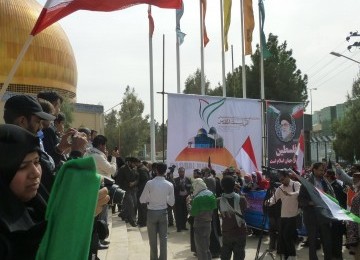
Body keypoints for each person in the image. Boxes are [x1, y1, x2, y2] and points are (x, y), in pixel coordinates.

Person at [298, 162, 334, 260]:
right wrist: (311, 203)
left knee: (327, 242)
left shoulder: (325, 182)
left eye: (324, 170)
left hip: (324, 216)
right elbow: (300, 200)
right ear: (314, 170)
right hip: (311, 217)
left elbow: (330, 196)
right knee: (313, 242)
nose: (323, 172)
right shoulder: (306, 182)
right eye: (321, 170)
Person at [140, 163, 175, 260]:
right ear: (165, 171)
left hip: (151, 212)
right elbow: (172, 203)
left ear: (156, 170)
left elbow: (142, 199)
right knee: (163, 239)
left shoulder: (150, 183)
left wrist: (149, 198)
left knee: (152, 240)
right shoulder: (169, 184)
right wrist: (165, 198)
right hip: (163, 212)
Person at [268, 170, 301, 260]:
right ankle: (286, 255)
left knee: (287, 236)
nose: (282, 181)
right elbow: (274, 199)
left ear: (287, 176)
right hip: (283, 216)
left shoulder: (295, 184)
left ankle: (293, 255)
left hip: (293, 216)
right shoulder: (280, 188)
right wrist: (268, 202)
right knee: (282, 237)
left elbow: (298, 193)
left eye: (283, 179)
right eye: (280, 180)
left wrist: (290, 194)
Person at [218, 176, 248, 260]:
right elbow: (246, 208)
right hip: (240, 232)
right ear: (234, 185)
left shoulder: (218, 201)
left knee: (225, 256)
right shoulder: (242, 199)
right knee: (239, 256)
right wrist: (239, 192)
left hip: (227, 233)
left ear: (222, 187)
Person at [189, 178, 217, 260]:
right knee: (206, 247)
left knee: (200, 249)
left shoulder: (197, 198)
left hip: (199, 224)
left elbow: (192, 213)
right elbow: (214, 207)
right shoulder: (211, 194)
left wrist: (188, 203)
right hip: (208, 223)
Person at [174, 166, 192, 232]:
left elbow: (190, 188)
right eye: (180, 172)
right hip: (178, 198)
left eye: (183, 172)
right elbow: (174, 189)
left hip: (186, 198)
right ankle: (179, 227)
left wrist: (188, 194)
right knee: (179, 213)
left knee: (185, 213)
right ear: (178, 172)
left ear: (184, 172)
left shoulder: (188, 179)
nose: (181, 173)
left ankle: (183, 226)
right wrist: (179, 185)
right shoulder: (175, 180)